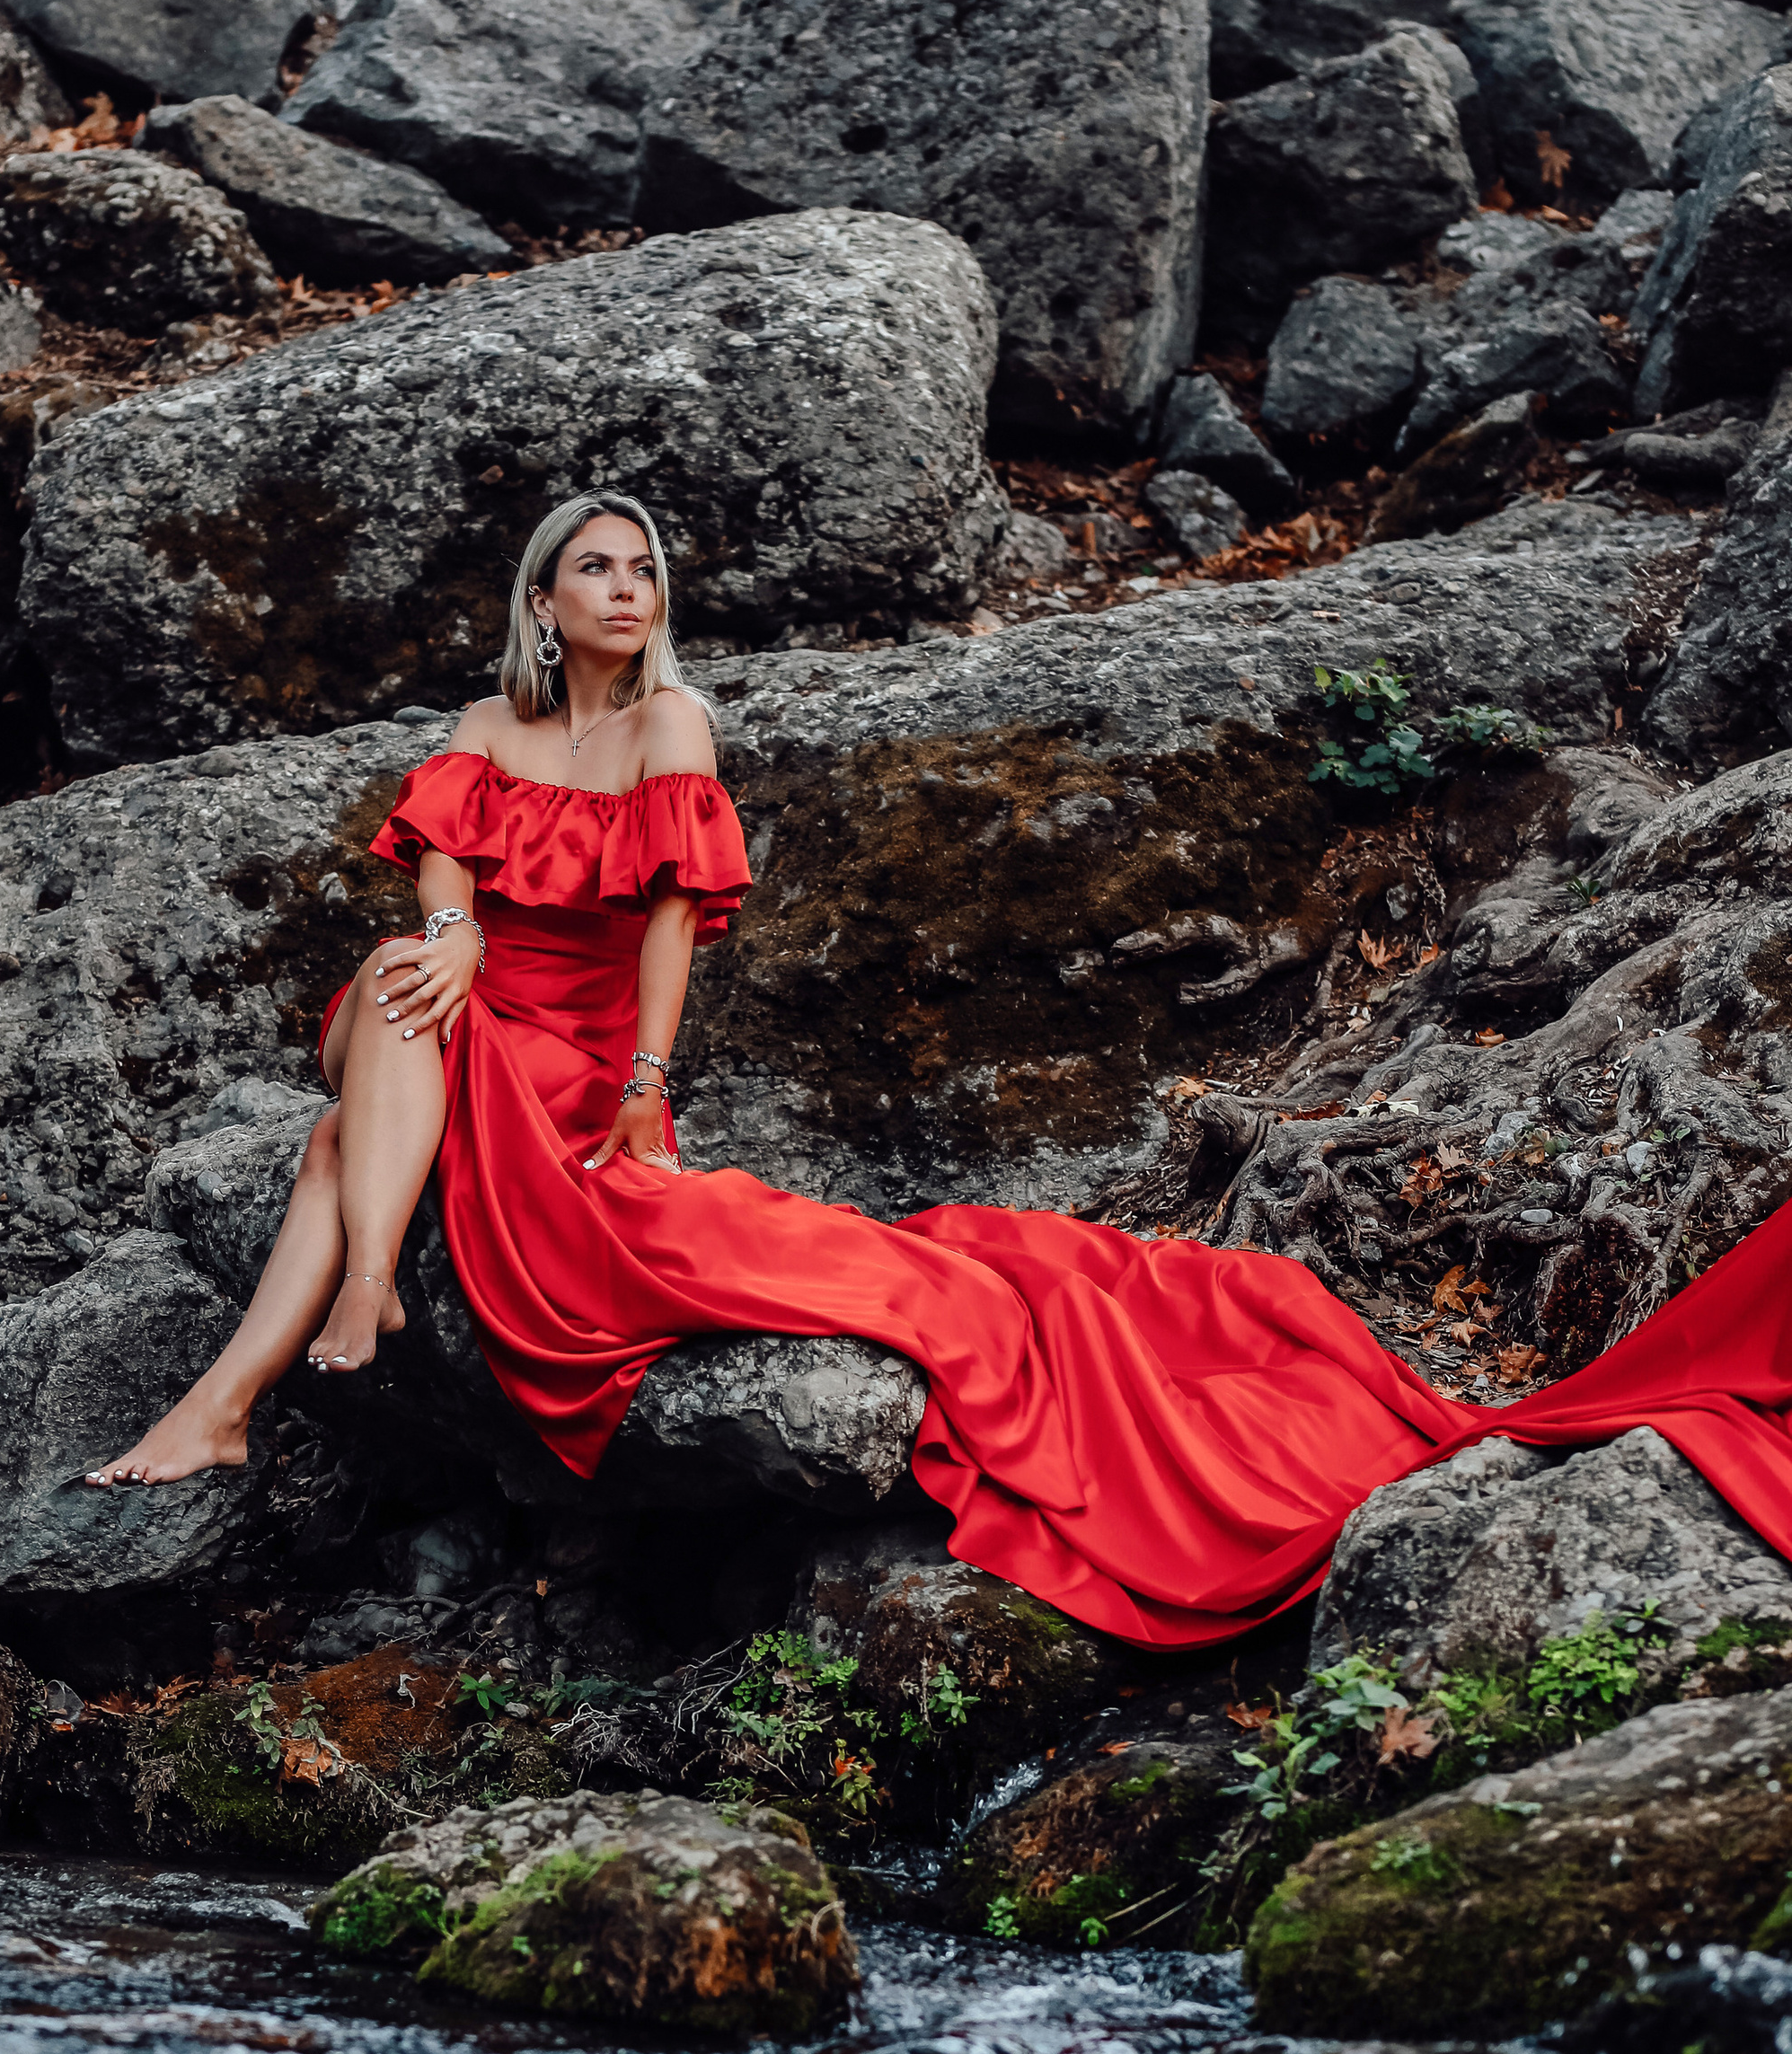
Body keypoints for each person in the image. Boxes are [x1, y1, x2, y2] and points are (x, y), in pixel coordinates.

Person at [86, 490, 1792, 1647]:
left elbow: (672, 924)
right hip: (453, 1009)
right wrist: (449, 935)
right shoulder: (480, 734)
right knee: (397, 982)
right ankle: (370, 1287)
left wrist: (647, 1084)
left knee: (340, 1130)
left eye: (645, 571)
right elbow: (438, 884)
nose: (630, 590)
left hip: (570, 1052)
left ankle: (232, 1396)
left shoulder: (672, 729)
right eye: (598, 568)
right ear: (542, 599)